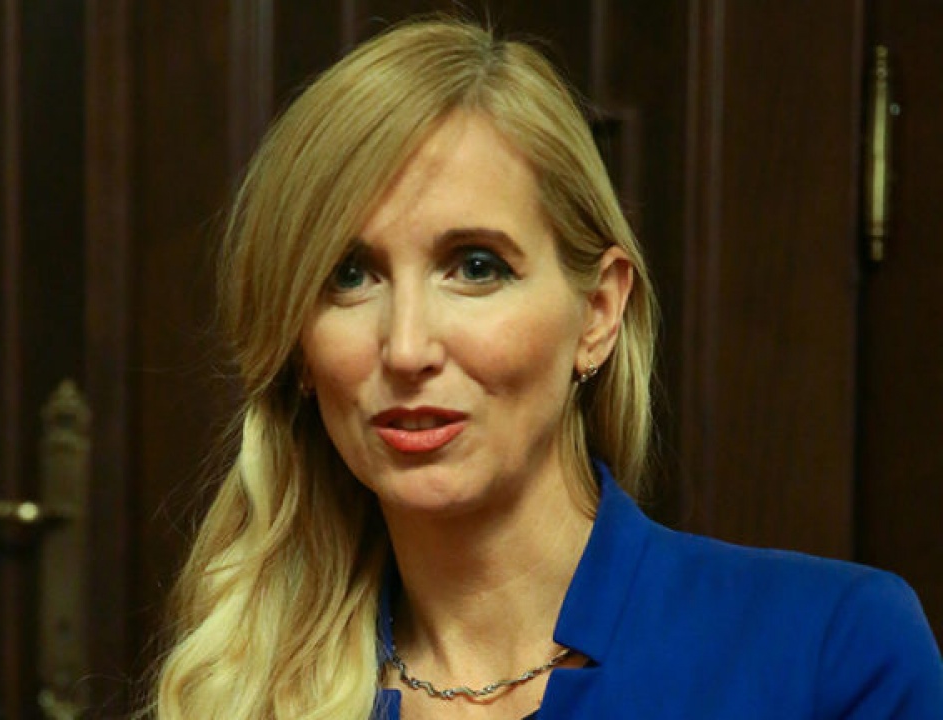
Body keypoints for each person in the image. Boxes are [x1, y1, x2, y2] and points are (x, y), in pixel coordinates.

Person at [145, 17, 943, 720]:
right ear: (299, 348)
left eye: (476, 266)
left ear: (597, 313)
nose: (407, 348)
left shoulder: (829, 653)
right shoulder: (240, 690)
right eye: (349, 276)